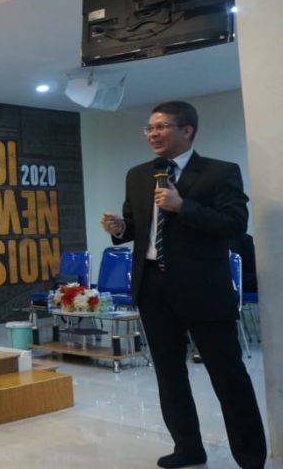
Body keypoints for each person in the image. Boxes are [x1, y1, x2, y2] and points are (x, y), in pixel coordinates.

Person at [100, 101, 265, 469]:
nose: (152, 134)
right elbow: (137, 225)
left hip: (204, 288)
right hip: (152, 287)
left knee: (229, 376)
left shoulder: (220, 172)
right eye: (149, 128)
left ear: (187, 130)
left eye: (161, 127)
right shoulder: (138, 175)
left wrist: (182, 206)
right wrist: (121, 229)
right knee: (169, 374)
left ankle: (251, 458)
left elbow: (234, 224)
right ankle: (188, 448)